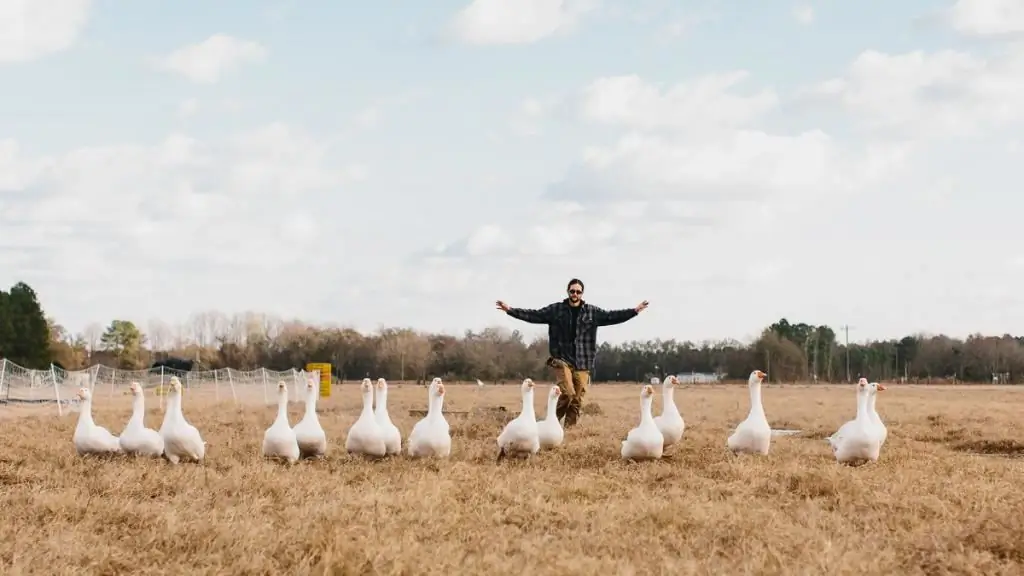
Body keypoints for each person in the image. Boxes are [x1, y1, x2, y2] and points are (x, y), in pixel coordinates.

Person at [496, 278, 648, 428]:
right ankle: (550, 425)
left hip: (583, 361)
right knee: (568, 393)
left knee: (576, 400)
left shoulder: (591, 312)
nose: (575, 294)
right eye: (572, 291)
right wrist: (510, 310)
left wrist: (634, 311)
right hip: (562, 359)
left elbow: (612, 316)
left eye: (578, 292)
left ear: (582, 294)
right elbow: (534, 315)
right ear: (568, 291)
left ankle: (569, 431)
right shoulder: (556, 310)